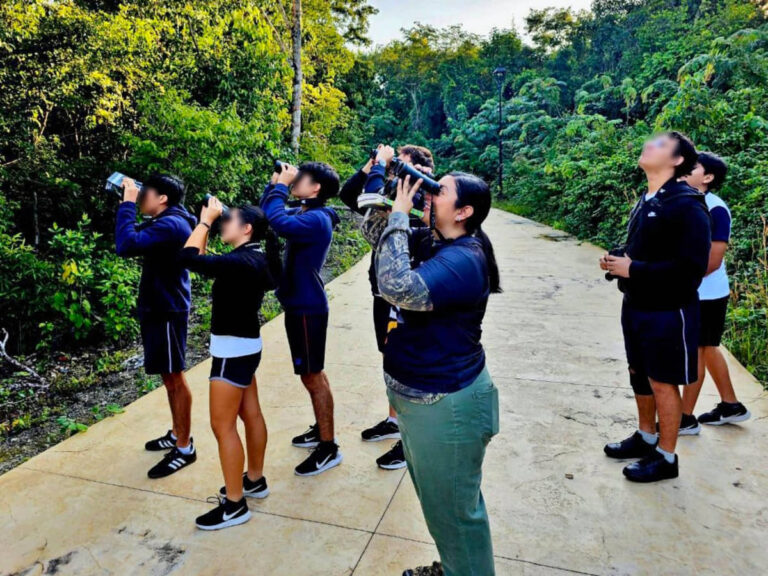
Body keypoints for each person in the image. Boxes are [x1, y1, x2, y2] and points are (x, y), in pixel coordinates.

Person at [362, 172, 502, 576]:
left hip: (447, 406)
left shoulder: (464, 259)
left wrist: (402, 215)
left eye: (439, 191)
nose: (429, 194)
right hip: (423, 400)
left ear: (464, 212)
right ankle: (455, 566)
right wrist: (386, 192)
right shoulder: (434, 240)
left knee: (457, 512)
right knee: (441, 506)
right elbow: (375, 234)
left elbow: (396, 285)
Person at [600, 131, 711, 483]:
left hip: (668, 309)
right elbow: (645, 249)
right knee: (639, 373)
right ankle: (646, 435)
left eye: (661, 145)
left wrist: (634, 269)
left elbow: (691, 269)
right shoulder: (648, 199)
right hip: (636, 303)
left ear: (677, 161)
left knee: (663, 381)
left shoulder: (686, 204)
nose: (650, 144)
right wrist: (619, 259)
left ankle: (666, 455)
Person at [178, 198, 278, 530]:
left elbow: (188, 258)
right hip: (247, 346)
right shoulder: (253, 258)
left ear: (246, 229)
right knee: (251, 414)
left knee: (223, 427)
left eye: (229, 219)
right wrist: (210, 222)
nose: (224, 223)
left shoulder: (241, 263)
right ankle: (254, 479)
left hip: (231, 352)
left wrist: (205, 221)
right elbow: (203, 261)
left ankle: (235, 504)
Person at [340, 144, 435, 471]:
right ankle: (395, 422)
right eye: (397, 170)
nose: (398, 176)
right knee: (391, 361)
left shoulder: (425, 199)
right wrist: (374, 164)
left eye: (404, 169)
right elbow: (349, 194)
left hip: (409, 296)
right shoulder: (390, 194)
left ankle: (410, 440)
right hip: (383, 294)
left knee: (411, 367)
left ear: (424, 172)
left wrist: (390, 175)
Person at [260, 161, 343, 476]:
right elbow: (267, 214)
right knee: (309, 375)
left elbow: (277, 221)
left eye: (301, 178)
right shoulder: (307, 213)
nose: (295, 181)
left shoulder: (317, 220)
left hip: (308, 308)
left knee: (313, 375)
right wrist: (275, 183)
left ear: (316, 187)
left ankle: (328, 446)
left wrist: (282, 186)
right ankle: (321, 430)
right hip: (299, 305)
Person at [115, 174, 198, 479]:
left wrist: (125, 204)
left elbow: (125, 245)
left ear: (163, 198)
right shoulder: (167, 221)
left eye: (144, 193)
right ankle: (177, 433)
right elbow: (136, 238)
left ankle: (185, 447)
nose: (139, 197)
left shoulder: (172, 224)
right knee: (168, 375)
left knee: (175, 376)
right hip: (161, 306)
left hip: (167, 309)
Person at [680, 152, 751, 428]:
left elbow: (712, 260)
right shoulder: (689, 202)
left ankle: (685, 419)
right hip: (697, 291)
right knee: (708, 348)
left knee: (698, 350)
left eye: (692, 166)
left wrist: (674, 279)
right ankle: (731, 405)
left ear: (707, 177)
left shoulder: (714, 207)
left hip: (705, 294)